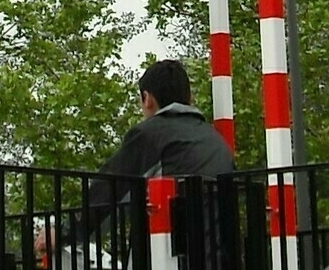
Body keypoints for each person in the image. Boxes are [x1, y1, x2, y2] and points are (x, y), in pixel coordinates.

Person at [73, 60, 235, 240]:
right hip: (220, 254)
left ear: (147, 98)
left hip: (169, 251)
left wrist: (65, 231)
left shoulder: (150, 134)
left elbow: (109, 189)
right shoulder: (217, 140)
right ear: (190, 99)